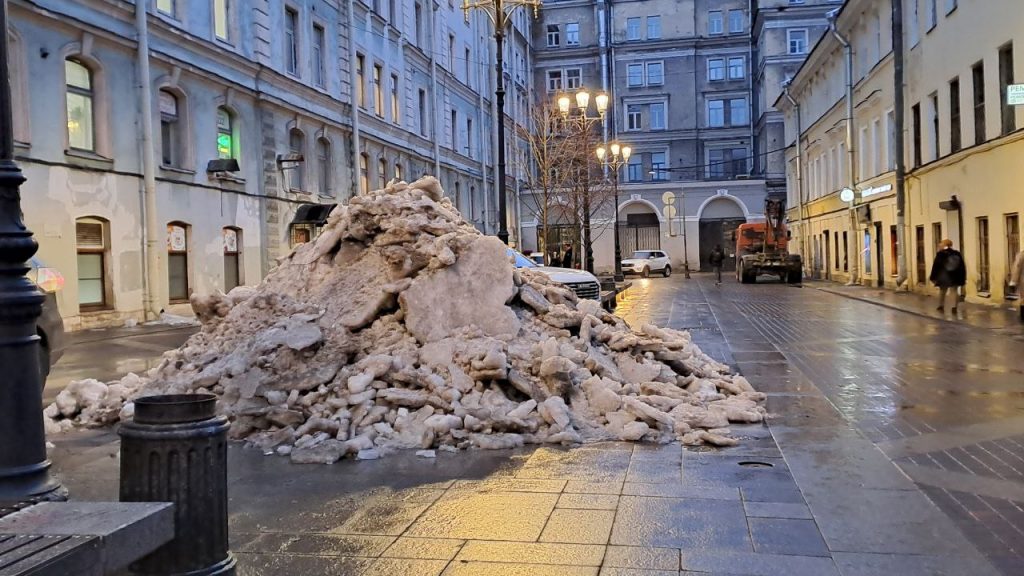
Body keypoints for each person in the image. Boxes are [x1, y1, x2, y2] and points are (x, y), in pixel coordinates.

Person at [928, 239, 967, 313]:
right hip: (955, 276)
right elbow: (962, 266)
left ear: (944, 245)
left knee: (942, 291)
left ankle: (941, 305)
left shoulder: (940, 254)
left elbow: (936, 266)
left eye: (941, 243)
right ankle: (954, 307)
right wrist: (963, 277)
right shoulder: (957, 253)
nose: (940, 244)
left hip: (944, 276)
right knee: (953, 291)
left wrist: (933, 277)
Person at [1010, 247, 1024, 322]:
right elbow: (1017, 268)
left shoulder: (1021, 255)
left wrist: (1013, 281)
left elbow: (1017, 268)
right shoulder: (1021, 255)